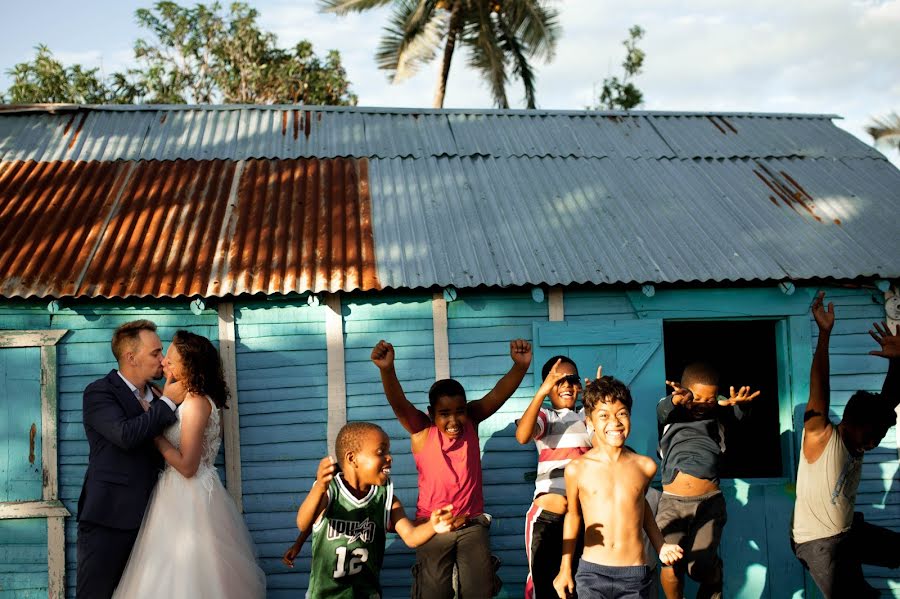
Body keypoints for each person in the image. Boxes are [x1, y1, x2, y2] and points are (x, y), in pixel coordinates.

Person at [371, 338, 533, 599]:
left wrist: (520, 367)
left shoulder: (472, 421)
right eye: (444, 413)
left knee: (478, 591)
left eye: (459, 411)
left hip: (472, 525)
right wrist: (387, 370)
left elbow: (497, 394)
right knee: (434, 591)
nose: (454, 419)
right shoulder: (422, 431)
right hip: (432, 526)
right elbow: (399, 404)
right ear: (431, 413)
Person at [112, 330, 266, 598]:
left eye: (170, 359)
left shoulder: (195, 403)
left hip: (189, 496)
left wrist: (156, 436)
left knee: (190, 575)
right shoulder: (183, 398)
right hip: (174, 494)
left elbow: (187, 466)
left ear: (189, 364)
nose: (164, 363)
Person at [790, 292, 900, 598]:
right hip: (818, 542)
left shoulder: (865, 427)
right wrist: (824, 335)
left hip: (847, 531)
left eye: (878, 438)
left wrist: (897, 362)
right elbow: (819, 388)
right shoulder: (821, 437)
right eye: (869, 436)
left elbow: (888, 399)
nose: (872, 444)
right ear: (849, 422)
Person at [76, 319, 183, 599]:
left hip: (158, 517)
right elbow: (125, 435)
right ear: (130, 357)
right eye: (155, 353)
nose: (163, 359)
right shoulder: (99, 392)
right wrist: (169, 403)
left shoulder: (160, 394)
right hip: (109, 518)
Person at [553, 376, 683, 599]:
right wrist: (565, 568)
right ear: (590, 423)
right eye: (604, 415)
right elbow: (573, 517)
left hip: (635, 575)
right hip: (592, 573)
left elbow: (641, 510)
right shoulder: (577, 469)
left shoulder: (645, 466)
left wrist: (661, 546)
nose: (615, 422)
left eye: (621, 413)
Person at [296, 422, 455, 598]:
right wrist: (319, 487)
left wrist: (433, 526)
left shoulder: (386, 497)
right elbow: (303, 523)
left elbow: (411, 537)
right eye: (381, 452)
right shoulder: (329, 491)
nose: (389, 458)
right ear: (352, 458)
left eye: (388, 452)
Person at [655, 363, 760, 599]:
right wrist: (676, 400)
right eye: (696, 397)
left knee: (698, 568)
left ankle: (714, 580)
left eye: (709, 399)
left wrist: (741, 405)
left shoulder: (717, 417)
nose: (703, 404)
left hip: (709, 503)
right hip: (672, 504)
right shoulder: (670, 415)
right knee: (670, 564)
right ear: (682, 393)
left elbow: (737, 413)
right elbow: (663, 408)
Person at [515, 356, 592, 599]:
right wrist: (540, 394)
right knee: (543, 585)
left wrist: (597, 403)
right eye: (559, 380)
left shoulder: (587, 418)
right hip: (546, 520)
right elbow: (523, 435)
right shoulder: (546, 416)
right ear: (548, 386)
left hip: (583, 519)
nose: (567, 386)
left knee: (577, 587)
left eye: (572, 380)